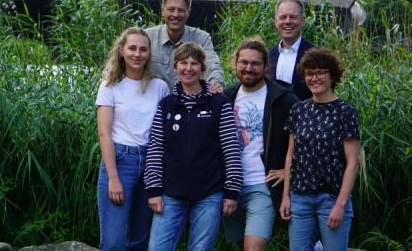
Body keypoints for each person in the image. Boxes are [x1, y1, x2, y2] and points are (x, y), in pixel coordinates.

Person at [144, 42, 243, 251]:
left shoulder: (219, 103)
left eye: (194, 63)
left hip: (210, 193)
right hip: (170, 193)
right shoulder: (167, 104)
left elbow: (231, 149)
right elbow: (155, 148)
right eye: (183, 63)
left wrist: (231, 191)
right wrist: (153, 189)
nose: (188, 68)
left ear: (202, 68)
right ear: (175, 67)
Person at [96, 27, 169, 250]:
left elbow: (165, 133)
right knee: (113, 240)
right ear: (121, 51)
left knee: (139, 240)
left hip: (151, 164)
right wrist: (113, 177)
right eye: (132, 48)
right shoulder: (110, 86)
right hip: (120, 160)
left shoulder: (160, 87)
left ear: (149, 54)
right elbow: (104, 134)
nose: (137, 54)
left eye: (143, 49)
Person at [279, 48, 360, 250]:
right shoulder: (299, 110)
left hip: (331, 199)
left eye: (320, 72)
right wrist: (286, 197)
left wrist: (341, 204)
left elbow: (352, 162)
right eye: (309, 73)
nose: (314, 78)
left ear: (332, 75)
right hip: (300, 199)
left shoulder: (345, 112)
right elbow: (291, 156)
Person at [223, 37, 299, 251]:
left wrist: (288, 170)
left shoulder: (283, 99)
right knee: (241, 245)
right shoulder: (226, 97)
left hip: (262, 185)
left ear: (266, 66)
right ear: (235, 64)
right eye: (243, 62)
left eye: (255, 63)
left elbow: (305, 141)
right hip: (231, 186)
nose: (249, 68)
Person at [145, 0, 224, 92]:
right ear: (162, 11)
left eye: (181, 10)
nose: (175, 15)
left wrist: (215, 82)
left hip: (188, 102)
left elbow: (212, 64)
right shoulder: (147, 37)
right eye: (171, 9)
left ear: (188, 12)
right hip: (154, 102)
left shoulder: (201, 38)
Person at [268, 0, 316, 101]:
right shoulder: (267, 57)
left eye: (293, 17)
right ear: (276, 21)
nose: (288, 21)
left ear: (302, 21)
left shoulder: (316, 55)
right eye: (283, 17)